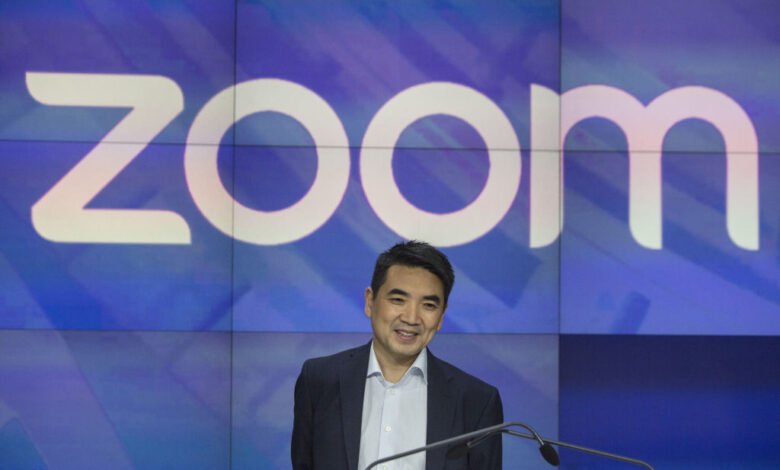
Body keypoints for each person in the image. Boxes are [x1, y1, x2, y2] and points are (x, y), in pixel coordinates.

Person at [292, 241, 503, 470]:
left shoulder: (476, 401)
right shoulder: (320, 380)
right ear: (370, 302)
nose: (412, 318)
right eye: (398, 300)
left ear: (441, 317)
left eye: (429, 305)